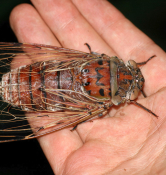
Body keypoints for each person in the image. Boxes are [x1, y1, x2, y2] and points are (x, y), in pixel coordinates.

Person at [9, 0, 166, 174]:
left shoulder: (105, 62)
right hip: (59, 93)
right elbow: (101, 111)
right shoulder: (105, 104)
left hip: (50, 75)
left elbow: (98, 57)